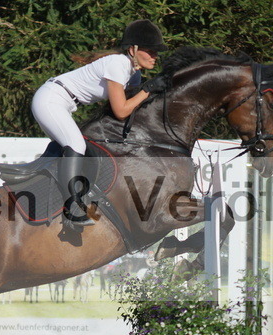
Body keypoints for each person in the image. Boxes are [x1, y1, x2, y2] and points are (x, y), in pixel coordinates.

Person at [32, 19, 170, 227]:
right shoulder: (118, 64)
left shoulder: (133, 73)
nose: (155, 56)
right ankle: (72, 208)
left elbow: (135, 103)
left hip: (63, 102)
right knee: (76, 145)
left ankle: (44, 181)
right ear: (133, 50)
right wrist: (148, 89)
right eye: (150, 51)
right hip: (51, 99)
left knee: (82, 147)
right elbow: (122, 111)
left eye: (156, 52)